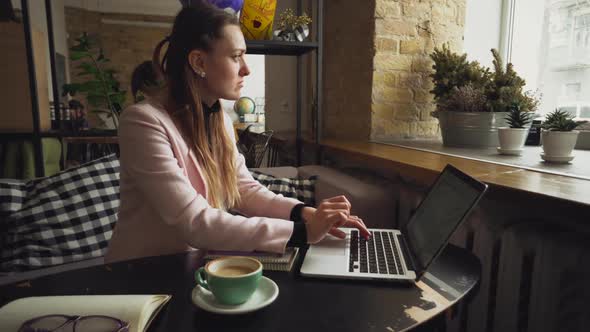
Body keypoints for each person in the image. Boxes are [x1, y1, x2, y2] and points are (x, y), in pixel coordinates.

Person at [105, 1, 370, 263]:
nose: (246, 68)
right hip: (139, 276)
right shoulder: (142, 122)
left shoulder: (218, 118)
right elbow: (194, 221)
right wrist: (300, 232)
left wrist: (303, 214)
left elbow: (243, 189)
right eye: (236, 56)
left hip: (193, 268)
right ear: (199, 62)